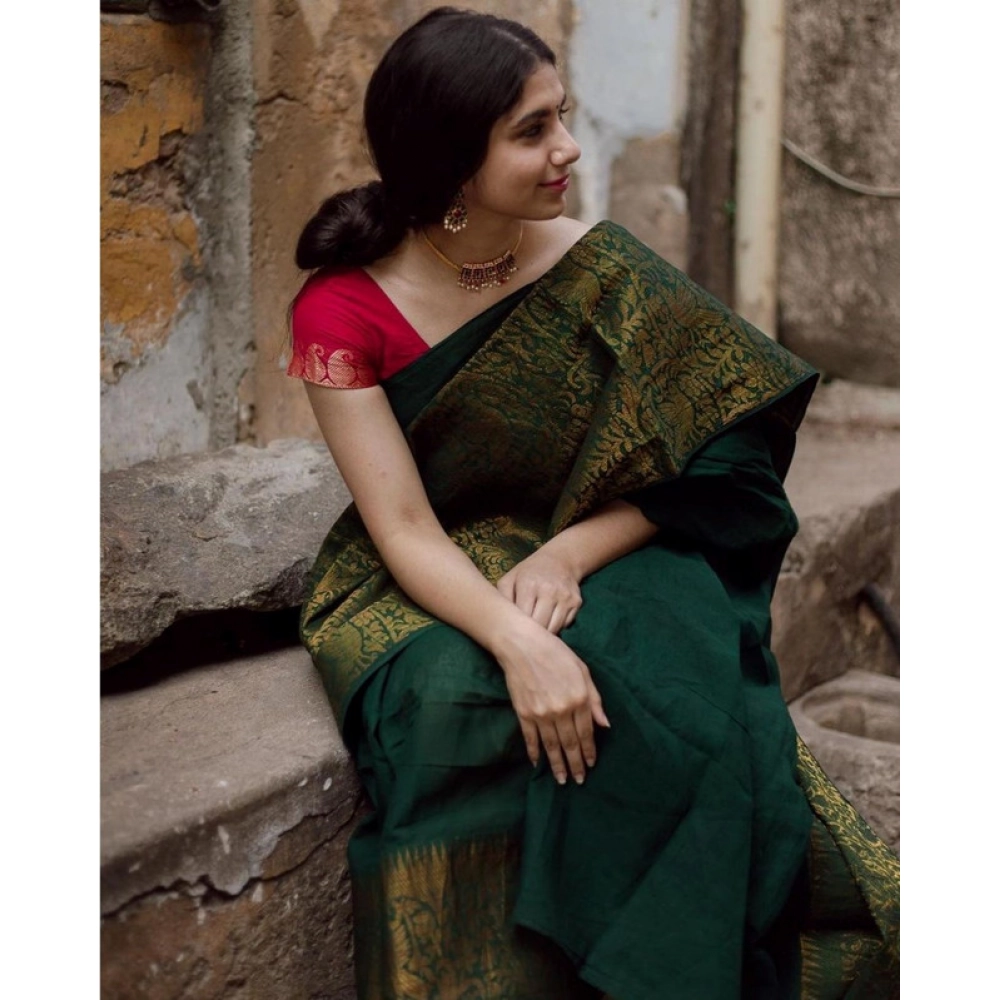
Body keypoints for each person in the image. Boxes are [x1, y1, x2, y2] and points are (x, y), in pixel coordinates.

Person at [286, 8, 899, 999]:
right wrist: (519, 644)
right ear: (451, 159)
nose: (568, 147)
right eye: (532, 131)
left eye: (561, 115)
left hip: (602, 541)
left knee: (660, 686)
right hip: (429, 561)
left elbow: (725, 464)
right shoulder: (342, 308)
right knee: (452, 700)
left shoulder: (597, 268)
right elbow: (401, 526)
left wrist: (568, 554)